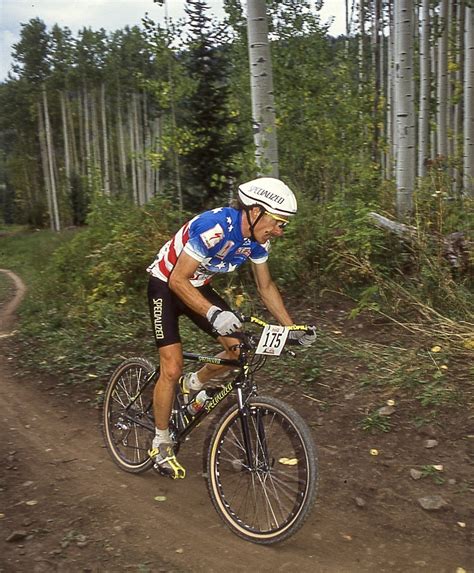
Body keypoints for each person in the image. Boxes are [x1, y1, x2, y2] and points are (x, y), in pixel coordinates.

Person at [146, 177, 317, 479]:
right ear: (255, 212)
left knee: (238, 350)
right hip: (166, 284)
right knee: (171, 367)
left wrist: (291, 327)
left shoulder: (257, 240)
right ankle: (160, 441)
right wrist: (213, 313)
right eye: (277, 222)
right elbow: (177, 281)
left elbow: (265, 286)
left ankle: (193, 384)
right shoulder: (216, 228)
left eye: (283, 225)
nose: (278, 231)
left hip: (197, 285)